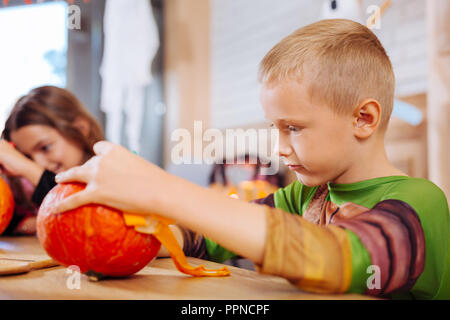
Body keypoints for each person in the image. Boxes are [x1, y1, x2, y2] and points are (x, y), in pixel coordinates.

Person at [50, 19, 449, 299]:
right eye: (275, 128)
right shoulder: (303, 198)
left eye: (293, 127)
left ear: (363, 118)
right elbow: (209, 236)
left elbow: (334, 258)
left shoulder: (421, 202)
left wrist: (162, 190)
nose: (279, 147)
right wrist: (127, 235)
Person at [0, 85, 104, 235]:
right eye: (27, 157)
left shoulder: (110, 172)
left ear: (80, 129)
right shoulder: (25, 188)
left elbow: (82, 213)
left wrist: (27, 167)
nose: (38, 163)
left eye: (45, 147)